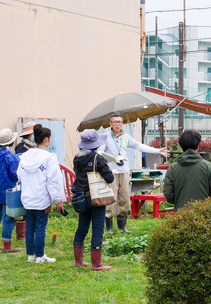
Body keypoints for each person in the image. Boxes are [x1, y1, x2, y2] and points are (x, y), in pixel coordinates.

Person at [98, 113, 169, 235]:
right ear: (110, 124)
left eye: (119, 122)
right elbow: (99, 152)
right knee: (111, 199)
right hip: (111, 173)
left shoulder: (126, 137)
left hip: (124, 171)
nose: (117, 124)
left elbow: (139, 146)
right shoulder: (106, 137)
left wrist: (157, 151)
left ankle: (122, 227)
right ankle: (109, 227)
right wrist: (112, 159)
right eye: (115, 122)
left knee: (125, 198)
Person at [17, 126, 66, 263]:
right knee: (40, 227)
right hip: (42, 198)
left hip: (27, 198)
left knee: (30, 226)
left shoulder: (24, 157)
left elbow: (19, 175)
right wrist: (58, 200)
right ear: (46, 140)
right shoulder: (49, 157)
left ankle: (31, 255)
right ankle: (40, 256)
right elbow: (53, 181)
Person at [71, 129, 115, 270]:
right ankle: (97, 264)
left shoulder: (77, 157)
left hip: (81, 198)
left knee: (82, 228)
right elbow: (109, 178)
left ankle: (79, 261)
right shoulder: (98, 158)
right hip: (96, 197)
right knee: (97, 229)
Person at [163, 130, 211, 211]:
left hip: (180, 215)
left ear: (181, 146)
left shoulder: (173, 168)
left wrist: (179, 200)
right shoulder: (208, 167)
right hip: (203, 215)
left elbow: (168, 195)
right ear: (198, 146)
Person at [13, 122, 38, 242]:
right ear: (30, 135)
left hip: (31, 180)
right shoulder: (21, 147)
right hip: (24, 180)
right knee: (23, 207)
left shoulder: (33, 146)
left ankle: (28, 232)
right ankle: (21, 235)